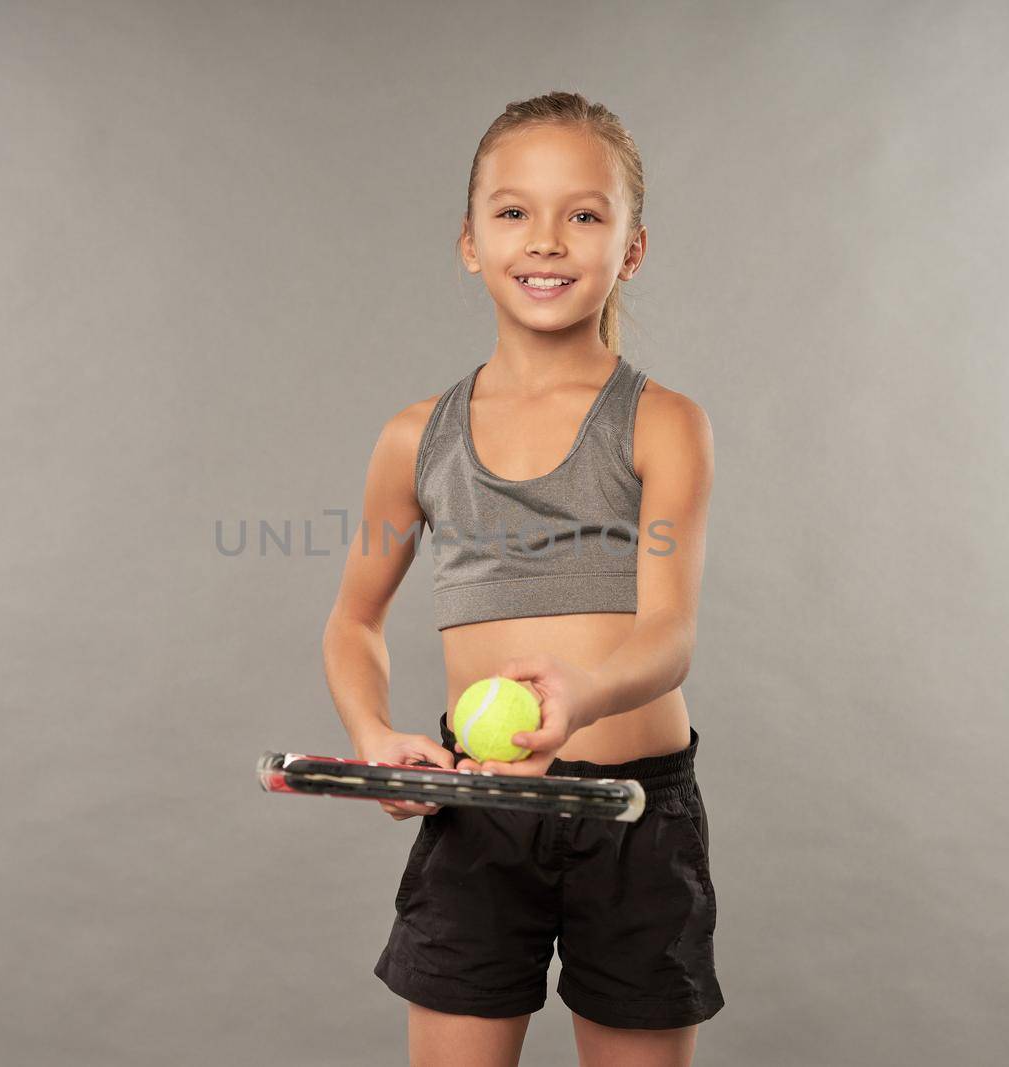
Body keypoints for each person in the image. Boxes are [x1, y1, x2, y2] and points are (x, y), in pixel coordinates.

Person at [321, 90, 722, 1067]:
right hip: (478, 813)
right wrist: (373, 736)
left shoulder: (664, 421)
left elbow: (668, 633)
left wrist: (586, 693)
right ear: (469, 241)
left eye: (583, 214)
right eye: (513, 212)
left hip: (633, 813)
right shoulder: (415, 436)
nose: (545, 240)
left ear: (629, 248)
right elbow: (352, 621)